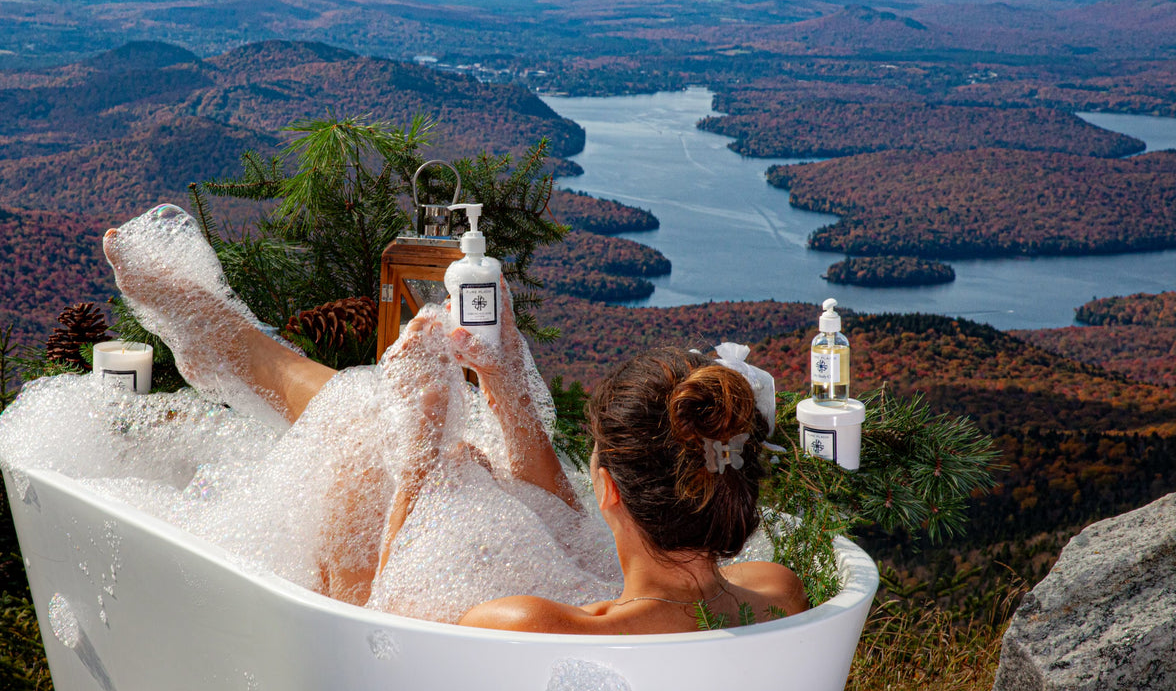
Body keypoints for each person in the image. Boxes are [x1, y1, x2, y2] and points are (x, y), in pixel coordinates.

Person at [103, 212, 806, 635]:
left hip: (361, 674)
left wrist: (421, 445)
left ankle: (230, 341)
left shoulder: (526, 624)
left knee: (368, 443)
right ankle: (237, 345)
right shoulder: (776, 594)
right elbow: (584, 537)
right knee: (386, 428)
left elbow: (378, 634)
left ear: (609, 489)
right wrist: (503, 381)